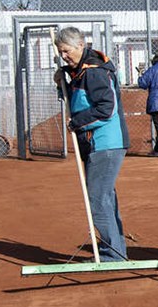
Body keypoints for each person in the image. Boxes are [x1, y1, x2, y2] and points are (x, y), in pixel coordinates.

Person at [54, 27, 131, 261]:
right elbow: (78, 99)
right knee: (104, 197)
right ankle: (116, 251)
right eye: (60, 52)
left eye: (66, 51)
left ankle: (112, 255)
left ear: (80, 45)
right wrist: (61, 83)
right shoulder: (79, 72)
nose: (64, 56)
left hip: (105, 144)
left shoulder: (94, 72)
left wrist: (77, 122)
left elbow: (105, 110)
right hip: (95, 144)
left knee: (98, 199)